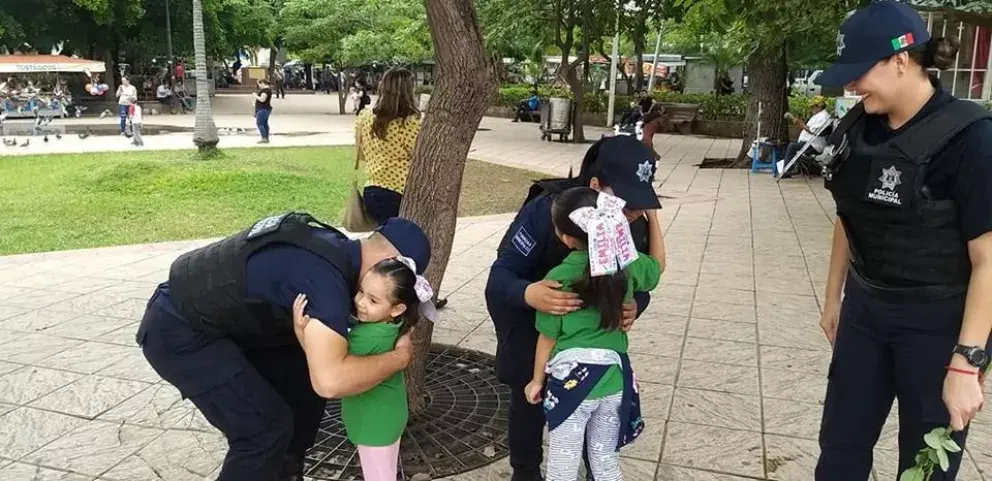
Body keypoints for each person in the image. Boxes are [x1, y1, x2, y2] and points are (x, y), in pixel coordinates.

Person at [811, 2, 992, 480]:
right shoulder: (858, 127)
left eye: (858, 72)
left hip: (937, 324)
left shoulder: (972, 139)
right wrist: (834, 299)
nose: (850, 85)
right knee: (839, 450)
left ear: (900, 59)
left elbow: (989, 260)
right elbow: (849, 216)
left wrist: (966, 363)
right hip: (866, 311)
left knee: (926, 466)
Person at [137, 213, 431, 481]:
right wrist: (399, 358)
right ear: (391, 264)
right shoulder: (327, 282)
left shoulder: (333, 247)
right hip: (179, 331)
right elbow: (331, 382)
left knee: (301, 391)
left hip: (219, 322)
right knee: (263, 431)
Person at [486, 135, 665, 481]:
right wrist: (530, 294)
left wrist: (635, 305)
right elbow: (501, 276)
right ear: (596, 185)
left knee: (593, 413)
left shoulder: (630, 220)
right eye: (629, 204)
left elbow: (642, 278)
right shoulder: (547, 210)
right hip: (537, 326)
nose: (635, 214)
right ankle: (525, 472)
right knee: (529, 391)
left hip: (591, 340)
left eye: (643, 204)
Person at [524, 187, 664, 481]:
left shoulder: (557, 278)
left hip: (571, 383)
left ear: (565, 238)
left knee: (563, 462)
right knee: (604, 460)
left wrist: (537, 381)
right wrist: (652, 217)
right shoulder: (628, 262)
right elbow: (658, 268)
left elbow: (547, 338)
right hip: (613, 380)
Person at [292, 256, 436, 481]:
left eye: (373, 300)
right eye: (361, 292)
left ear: (397, 308)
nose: (360, 302)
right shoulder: (394, 326)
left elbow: (327, 369)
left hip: (374, 425)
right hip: (388, 418)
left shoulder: (366, 339)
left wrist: (302, 332)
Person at [354, 68, 421, 223]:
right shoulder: (410, 122)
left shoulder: (365, 116)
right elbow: (420, 158)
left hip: (371, 189)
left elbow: (361, 153)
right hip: (398, 191)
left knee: (384, 242)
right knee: (401, 244)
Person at [780, 95, 832, 178]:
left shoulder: (823, 116)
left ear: (818, 106)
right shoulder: (818, 115)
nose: (811, 109)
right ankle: (790, 167)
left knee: (792, 147)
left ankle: (787, 170)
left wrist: (801, 124)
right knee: (790, 146)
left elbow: (814, 131)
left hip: (814, 145)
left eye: (813, 107)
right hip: (809, 143)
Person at [255, 79, 273, 144]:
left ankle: (264, 138)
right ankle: (266, 138)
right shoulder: (268, 90)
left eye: (259, 84)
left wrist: (255, 96)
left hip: (263, 109)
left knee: (260, 123)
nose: (259, 86)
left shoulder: (265, 91)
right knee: (264, 123)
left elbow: (262, 99)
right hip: (265, 108)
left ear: (262, 83)